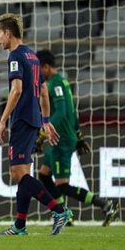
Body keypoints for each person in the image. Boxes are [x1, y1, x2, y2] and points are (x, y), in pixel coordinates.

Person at [0, 13, 72, 236]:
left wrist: (2, 120)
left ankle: (59, 210)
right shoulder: (33, 56)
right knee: (23, 174)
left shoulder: (16, 56)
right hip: (34, 119)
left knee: (18, 174)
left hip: (22, 119)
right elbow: (43, 91)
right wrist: (45, 121)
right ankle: (20, 225)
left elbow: (16, 90)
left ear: (8, 33)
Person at [34, 49, 120, 226]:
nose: (37, 73)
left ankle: (104, 205)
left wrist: (43, 132)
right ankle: (64, 215)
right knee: (44, 175)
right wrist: (79, 135)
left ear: (46, 67)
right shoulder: (63, 82)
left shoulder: (54, 84)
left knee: (62, 185)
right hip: (61, 137)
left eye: (38, 69)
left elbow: (62, 112)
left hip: (61, 140)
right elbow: (72, 111)